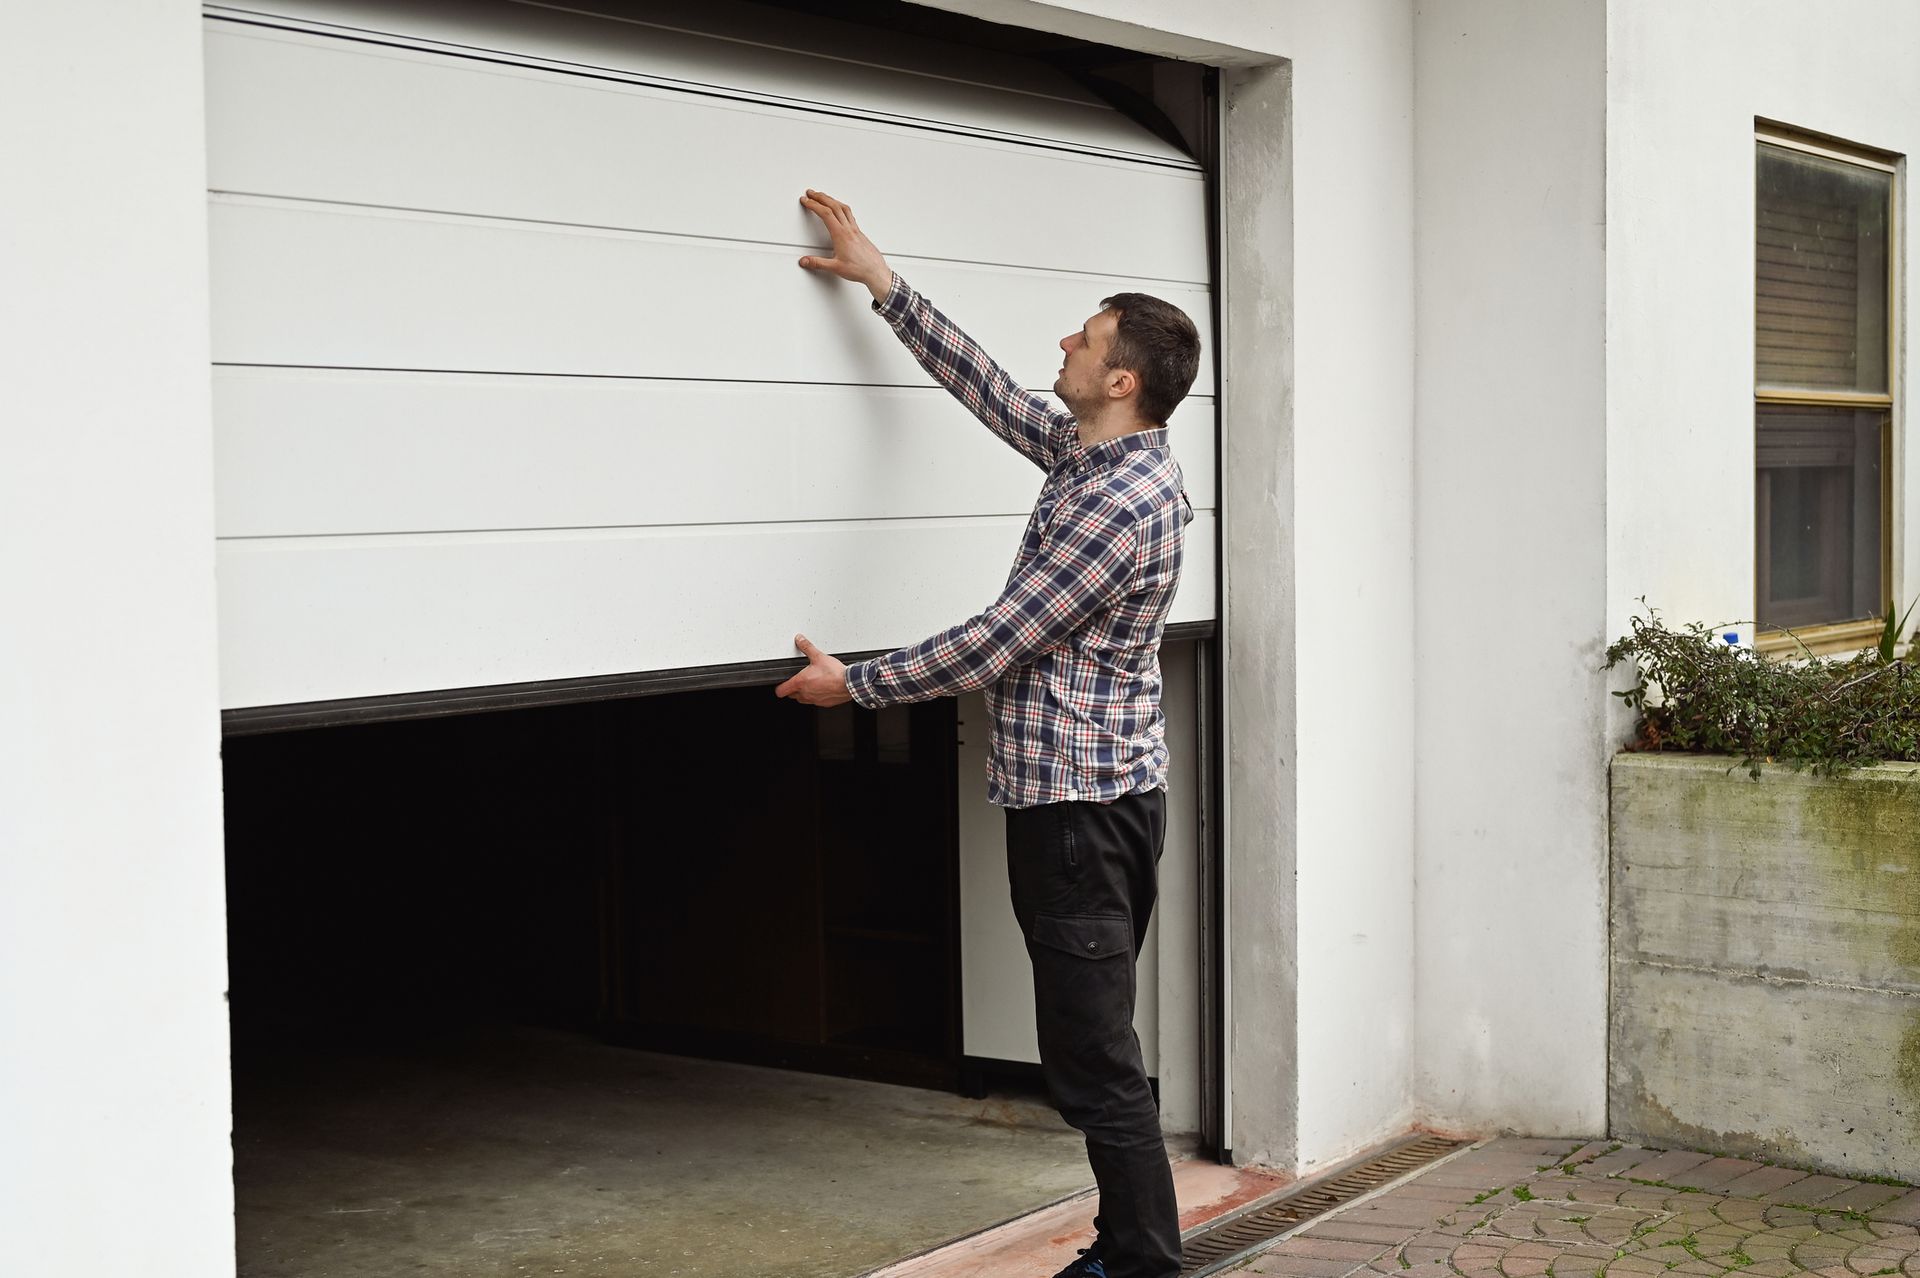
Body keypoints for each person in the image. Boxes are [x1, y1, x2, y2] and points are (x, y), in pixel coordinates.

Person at [775, 189, 1200, 1278]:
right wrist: (884, 283)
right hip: (1092, 804)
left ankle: (1144, 1264)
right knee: (1093, 1048)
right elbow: (991, 394)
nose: (1063, 340)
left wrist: (854, 687)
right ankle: (1126, 1247)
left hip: (1079, 817)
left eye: (1086, 337)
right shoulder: (1094, 458)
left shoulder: (1119, 502)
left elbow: (996, 643)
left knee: (1095, 1059)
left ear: (1122, 381)